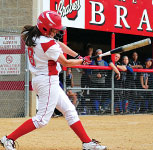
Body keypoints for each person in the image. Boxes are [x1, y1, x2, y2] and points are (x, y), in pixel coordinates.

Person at [0, 11, 107, 150]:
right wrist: (82, 61)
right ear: (44, 28)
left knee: (70, 111)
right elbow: (66, 63)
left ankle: (87, 143)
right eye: (53, 29)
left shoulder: (33, 36)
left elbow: (59, 45)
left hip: (44, 80)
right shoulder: (46, 44)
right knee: (42, 119)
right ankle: (8, 139)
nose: (56, 31)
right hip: (48, 81)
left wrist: (79, 56)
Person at [89, 49, 109, 113]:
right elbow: (89, 72)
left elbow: (107, 73)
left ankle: (101, 108)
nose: (99, 55)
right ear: (96, 54)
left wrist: (102, 75)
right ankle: (96, 110)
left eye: (101, 53)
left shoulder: (105, 63)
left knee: (102, 95)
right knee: (94, 96)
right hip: (93, 82)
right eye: (98, 53)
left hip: (102, 82)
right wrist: (94, 77)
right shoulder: (92, 62)